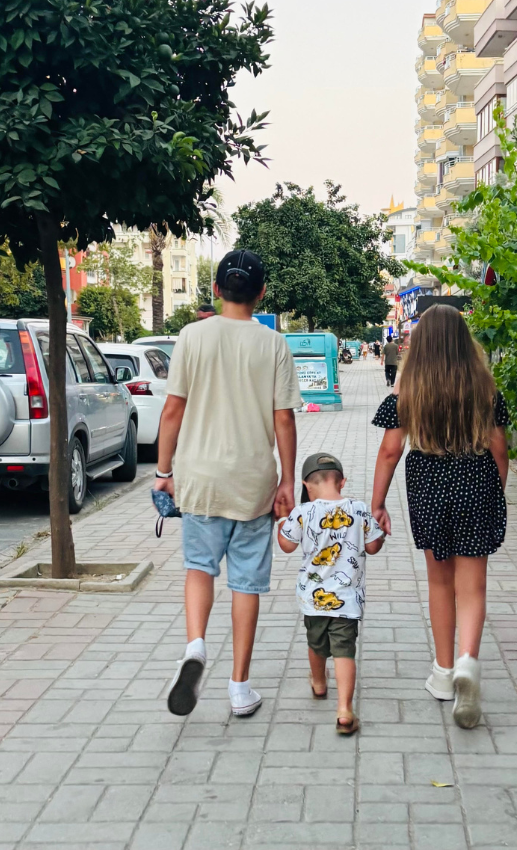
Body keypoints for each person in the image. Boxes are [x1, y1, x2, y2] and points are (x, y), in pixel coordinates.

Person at [157, 249, 302, 718]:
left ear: (217, 290)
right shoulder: (273, 345)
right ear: (261, 293)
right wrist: (286, 479)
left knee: (199, 567)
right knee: (246, 585)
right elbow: (284, 420)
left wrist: (163, 473)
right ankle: (240, 687)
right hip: (253, 481)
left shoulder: (191, 336)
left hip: (199, 477)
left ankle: (196, 645)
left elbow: (173, 410)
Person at [370, 305, 509, 729]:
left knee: (439, 583)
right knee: (473, 587)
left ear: (422, 345)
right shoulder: (484, 390)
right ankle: (469, 660)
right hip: (476, 479)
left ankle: (444, 674)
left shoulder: (406, 393)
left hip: (429, 484)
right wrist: (496, 491)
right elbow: (499, 449)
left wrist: (377, 504)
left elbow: (390, 451)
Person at [278, 453, 384, 734]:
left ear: (307, 485)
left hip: (312, 599)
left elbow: (286, 546)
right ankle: (345, 710)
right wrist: (379, 533)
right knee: (344, 651)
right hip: (347, 601)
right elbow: (373, 547)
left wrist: (281, 526)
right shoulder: (360, 510)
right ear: (342, 481)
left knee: (316, 644)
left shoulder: (302, 512)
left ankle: (319, 684)